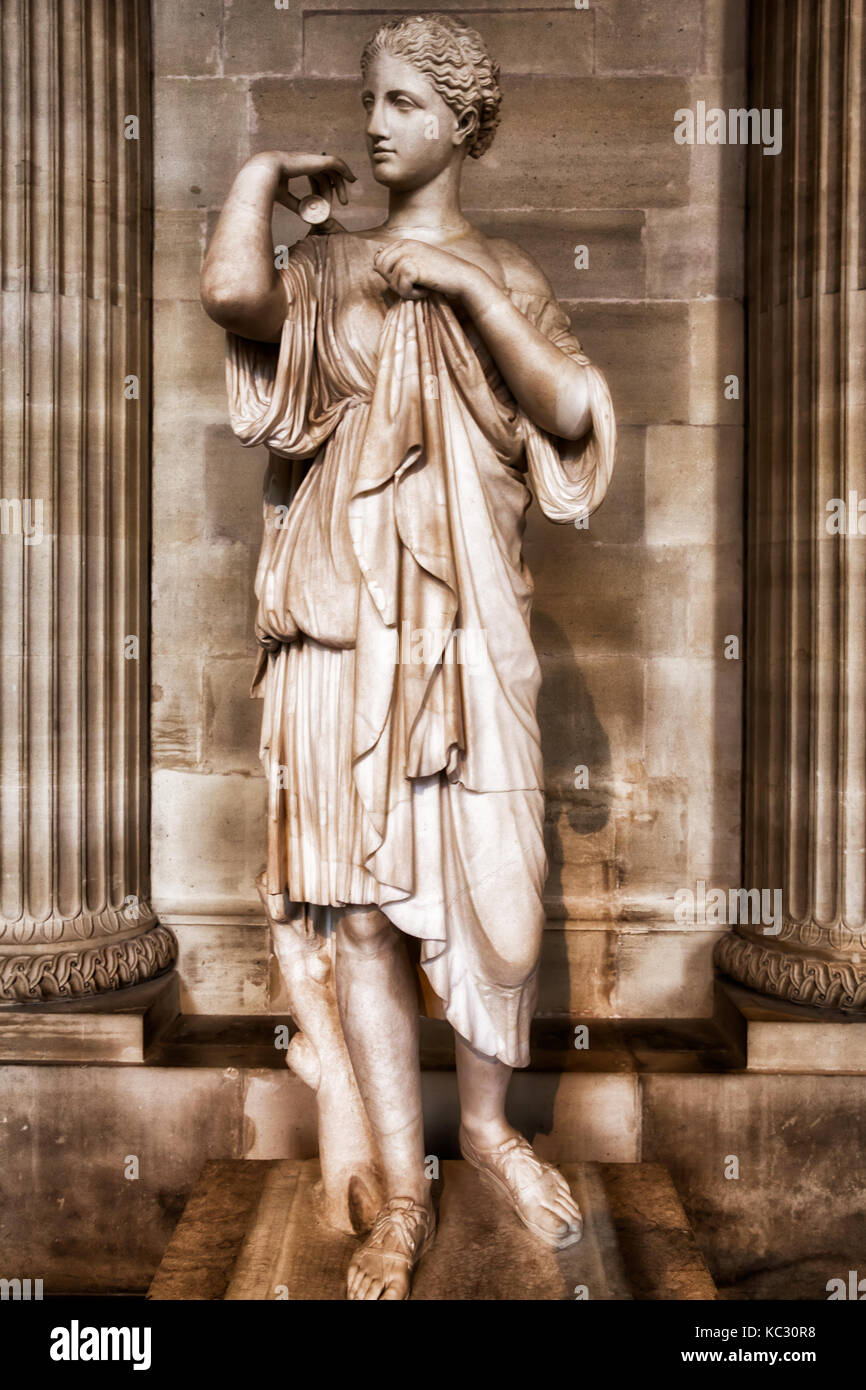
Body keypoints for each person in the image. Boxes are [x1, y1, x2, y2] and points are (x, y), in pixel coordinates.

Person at [201, 12, 615, 1301]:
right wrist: (263, 185)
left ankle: (487, 1128)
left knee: (501, 899)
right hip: (343, 637)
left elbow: (567, 413)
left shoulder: (508, 278)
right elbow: (234, 294)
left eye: (402, 103)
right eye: (367, 101)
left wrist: (474, 294)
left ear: (460, 123)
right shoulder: (334, 278)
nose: (375, 125)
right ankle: (401, 1182)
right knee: (366, 916)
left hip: (465, 638)